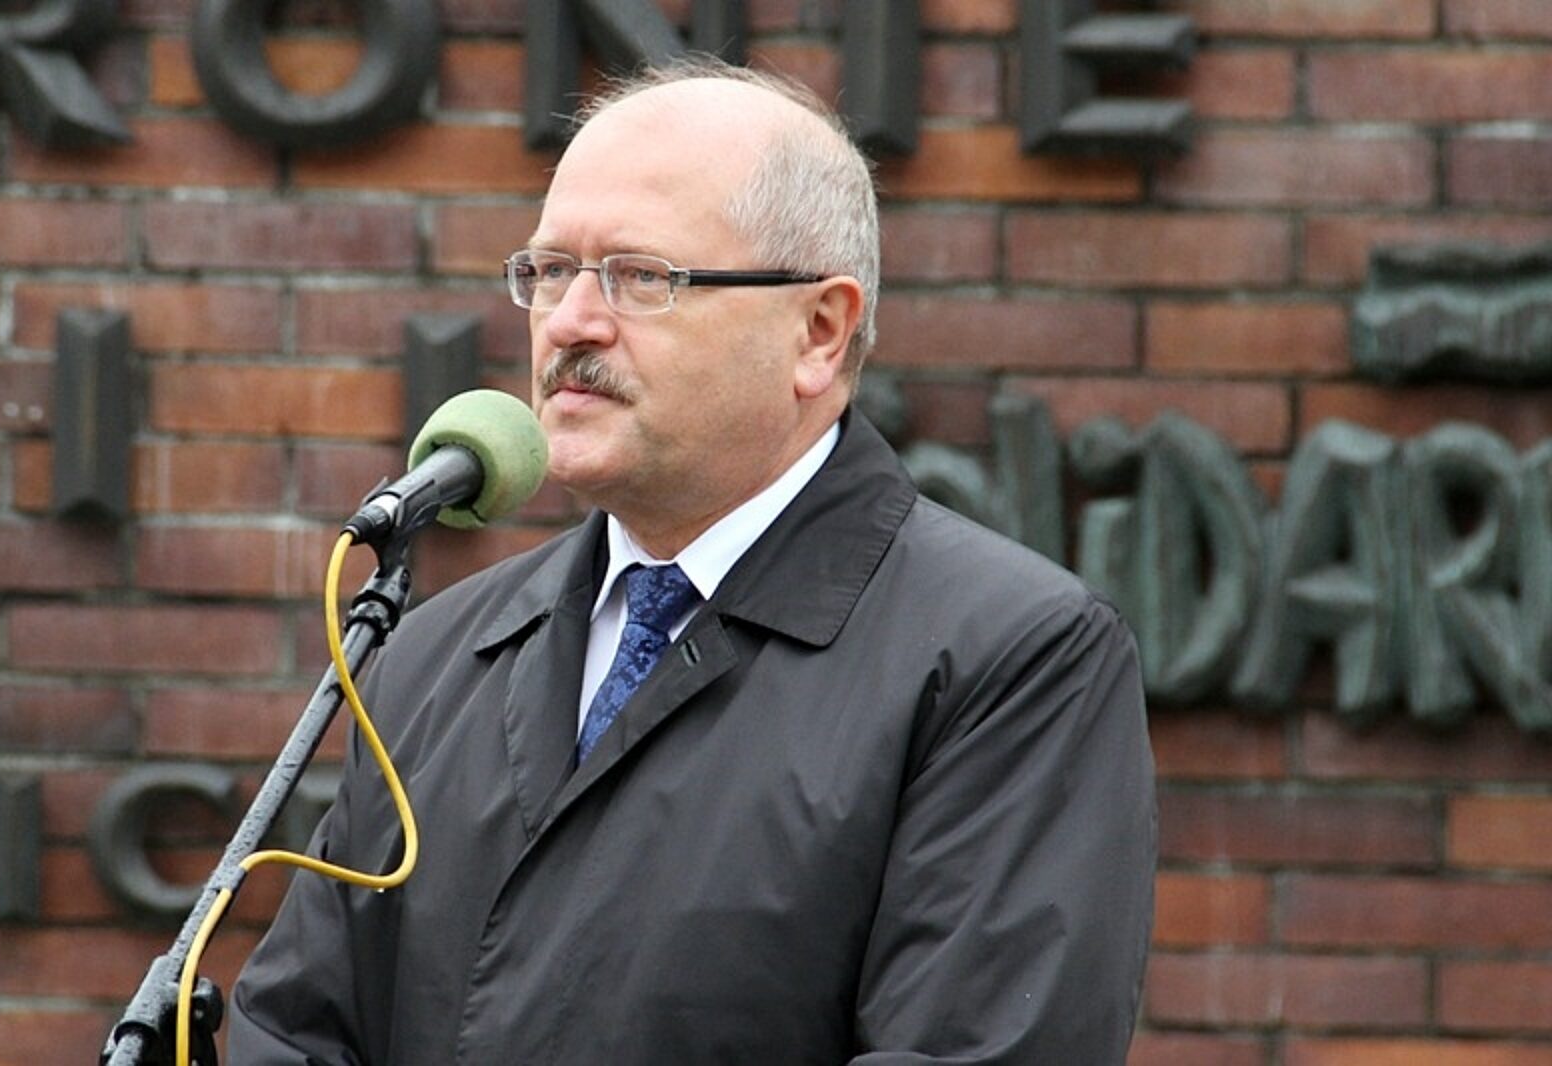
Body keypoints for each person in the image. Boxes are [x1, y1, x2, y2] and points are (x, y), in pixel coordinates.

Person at [229, 57, 1156, 1065]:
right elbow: (296, 1029)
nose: (570, 321)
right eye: (548, 270)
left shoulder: (1008, 659)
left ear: (819, 331)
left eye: (642, 277)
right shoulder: (434, 656)